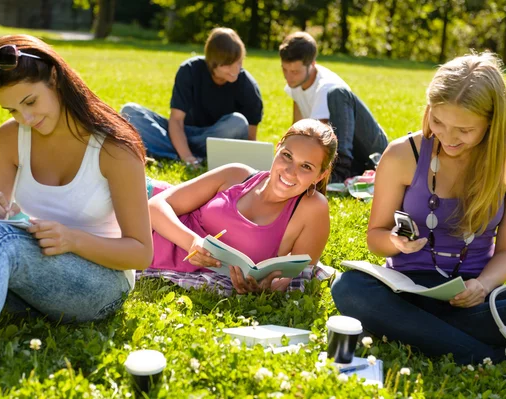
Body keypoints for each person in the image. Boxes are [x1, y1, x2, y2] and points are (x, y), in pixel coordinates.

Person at [0, 35, 153, 398]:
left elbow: (141, 253)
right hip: (25, 278)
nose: (26, 118)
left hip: (100, 286)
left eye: (30, 102)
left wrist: (72, 239)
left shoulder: (114, 148)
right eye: (13, 110)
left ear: (54, 78)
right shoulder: (10, 138)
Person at [331, 52, 506, 364]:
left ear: (492, 123)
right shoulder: (401, 154)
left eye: (464, 130)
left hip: (475, 296)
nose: (447, 137)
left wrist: (482, 285)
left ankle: (422, 332)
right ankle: (485, 355)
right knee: (350, 287)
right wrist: (394, 242)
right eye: (438, 121)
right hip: (410, 291)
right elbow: (376, 236)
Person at [139, 119, 337, 296]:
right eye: (287, 156)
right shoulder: (237, 175)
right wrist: (192, 243)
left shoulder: (311, 209)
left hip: (151, 248)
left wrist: (267, 289)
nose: (290, 172)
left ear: (320, 175)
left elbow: (296, 276)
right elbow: (155, 205)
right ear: (277, 148)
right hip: (145, 216)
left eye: (306, 167)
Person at [120, 27, 263, 166]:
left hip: (216, 138)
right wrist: (187, 156)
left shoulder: (247, 86)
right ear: (212, 62)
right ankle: (189, 156)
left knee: (238, 123)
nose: (235, 70)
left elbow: (249, 140)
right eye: (228, 65)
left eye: (239, 62)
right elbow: (176, 121)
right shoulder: (189, 70)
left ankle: (172, 154)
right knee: (130, 111)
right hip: (182, 132)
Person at [279, 32, 388, 182]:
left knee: (338, 93)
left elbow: (318, 139)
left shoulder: (326, 87)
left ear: (312, 64)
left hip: (372, 149)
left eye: (294, 72)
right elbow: (297, 130)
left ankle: (338, 174)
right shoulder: (295, 83)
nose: (288, 77)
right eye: (284, 70)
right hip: (351, 155)